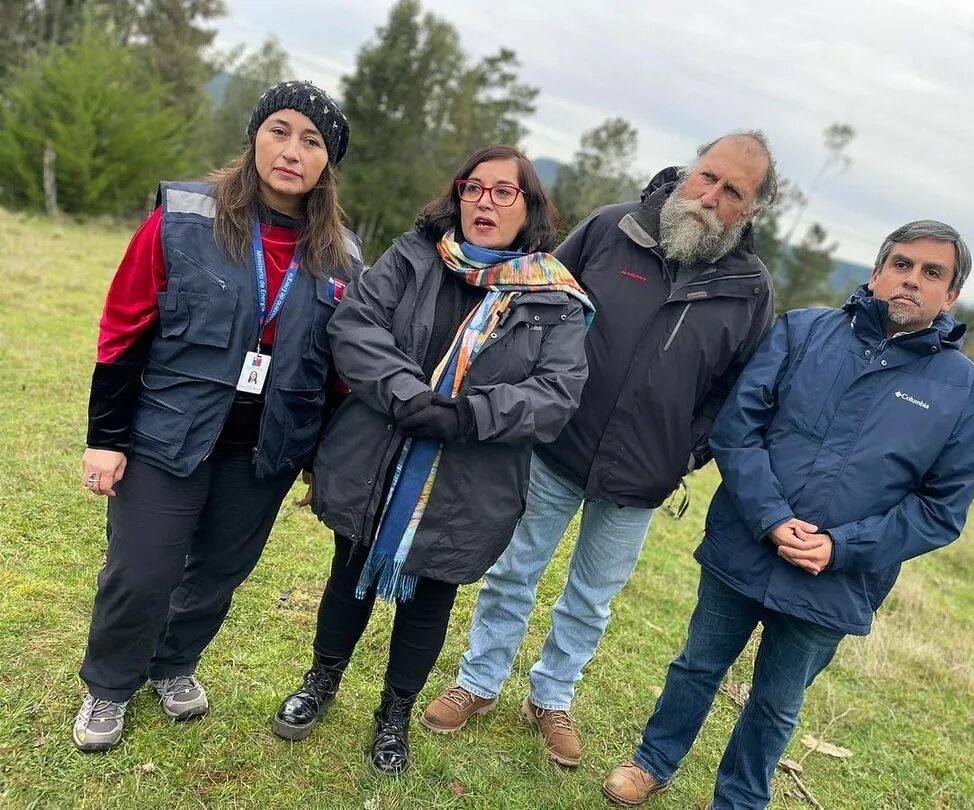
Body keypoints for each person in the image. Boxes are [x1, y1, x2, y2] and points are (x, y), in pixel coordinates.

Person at [602, 220, 974, 808]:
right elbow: (738, 430)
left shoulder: (962, 389)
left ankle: (739, 800)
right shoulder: (803, 332)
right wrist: (771, 517)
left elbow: (942, 508)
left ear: (951, 295)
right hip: (745, 544)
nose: (912, 280)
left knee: (777, 703)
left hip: (835, 580)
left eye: (931, 273)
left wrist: (841, 547)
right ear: (877, 271)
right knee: (697, 665)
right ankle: (653, 762)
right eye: (902, 264)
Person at [423, 132, 779, 767]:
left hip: (642, 475)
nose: (711, 196)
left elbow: (737, 390)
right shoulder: (612, 229)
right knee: (513, 570)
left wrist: (686, 452)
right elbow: (539, 300)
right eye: (707, 177)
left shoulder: (750, 288)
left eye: (733, 192)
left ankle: (553, 697)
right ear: (688, 171)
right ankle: (478, 680)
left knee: (592, 597)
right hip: (555, 444)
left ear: (752, 209)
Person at [271, 145, 593, 775]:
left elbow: (556, 395)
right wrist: (408, 395)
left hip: (470, 476)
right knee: (350, 573)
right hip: (381, 455)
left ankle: (394, 715)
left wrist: (465, 415)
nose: (485, 202)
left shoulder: (553, 298)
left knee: (430, 596)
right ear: (458, 195)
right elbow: (357, 323)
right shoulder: (417, 255)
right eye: (475, 188)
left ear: (528, 208)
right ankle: (321, 681)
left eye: (505, 191)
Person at [73, 81, 361, 753]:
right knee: (141, 570)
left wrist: (322, 464)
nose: (292, 150)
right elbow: (123, 327)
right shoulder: (183, 218)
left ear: (328, 163)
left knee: (217, 574)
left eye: (312, 141)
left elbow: (338, 376)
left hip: (265, 454)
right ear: (255, 137)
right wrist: (104, 438)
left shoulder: (342, 257)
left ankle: (173, 665)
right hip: (166, 435)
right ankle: (109, 686)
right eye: (280, 130)